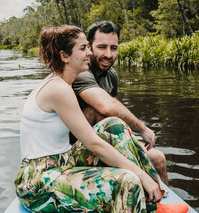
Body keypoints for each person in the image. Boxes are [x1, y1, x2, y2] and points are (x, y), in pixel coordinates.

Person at [14, 25, 188, 212]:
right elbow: (93, 144)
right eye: (83, 48)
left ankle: (150, 202)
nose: (89, 53)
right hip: (38, 183)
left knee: (113, 125)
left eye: (88, 47)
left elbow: (97, 135)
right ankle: (145, 201)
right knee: (127, 180)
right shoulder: (58, 89)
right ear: (65, 57)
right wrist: (138, 174)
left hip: (64, 161)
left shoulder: (63, 83)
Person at [72, 20, 169, 185]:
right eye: (102, 47)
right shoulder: (81, 71)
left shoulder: (111, 75)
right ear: (88, 47)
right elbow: (106, 106)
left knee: (158, 158)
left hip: (105, 140)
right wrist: (142, 129)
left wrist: (131, 138)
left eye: (113, 48)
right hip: (77, 148)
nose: (109, 55)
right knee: (94, 109)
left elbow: (113, 107)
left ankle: (163, 205)